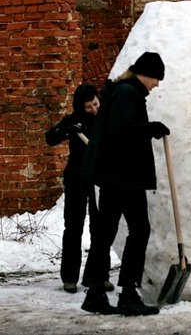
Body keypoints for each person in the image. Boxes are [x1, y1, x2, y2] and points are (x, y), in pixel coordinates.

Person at [80, 52, 170, 316]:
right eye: (156, 78)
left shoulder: (122, 91)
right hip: (122, 177)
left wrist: (145, 128)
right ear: (146, 74)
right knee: (139, 230)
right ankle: (128, 293)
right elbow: (121, 131)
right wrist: (149, 128)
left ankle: (95, 293)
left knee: (105, 233)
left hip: (115, 175)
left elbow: (120, 128)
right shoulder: (127, 94)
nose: (157, 85)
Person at [45, 83, 114, 294]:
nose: (94, 109)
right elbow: (51, 137)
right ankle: (70, 277)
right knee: (73, 227)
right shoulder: (73, 121)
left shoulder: (106, 119)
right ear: (80, 107)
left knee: (100, 229)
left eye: (95, 104)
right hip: (76, 179)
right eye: (88, 107)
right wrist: (68, 130)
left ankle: (99, 276)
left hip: (99, 179)